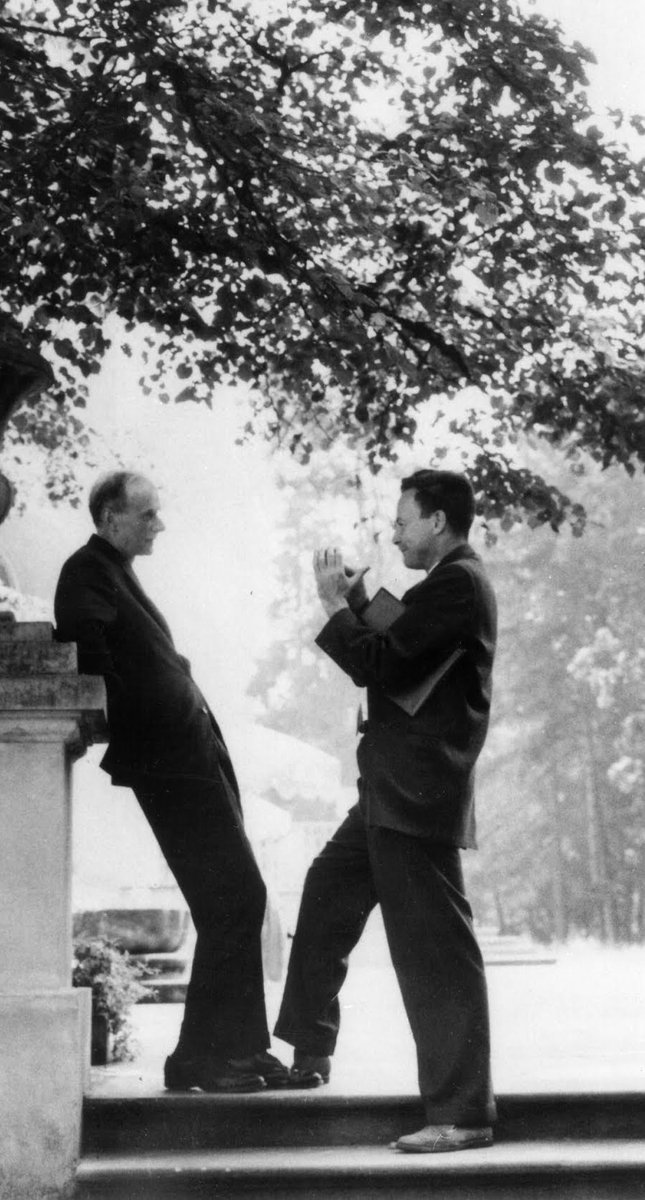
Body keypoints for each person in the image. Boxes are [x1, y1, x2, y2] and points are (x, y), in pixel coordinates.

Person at [274, 468, 498, 1153]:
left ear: (436, 521)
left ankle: (461, 1116)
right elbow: (408, 640)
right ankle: (309, 1050)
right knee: (328, 890)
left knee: (432, 954)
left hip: (414, 794)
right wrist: (363, 596)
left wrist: (333, 606)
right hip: (392, 789)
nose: (393, 532)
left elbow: (386, 665)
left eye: (401, 521)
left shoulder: (458, 582)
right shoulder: (452, 585)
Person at [54, 470, 289, 1093]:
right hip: (171, 766)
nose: (159, 524)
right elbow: (93, 663)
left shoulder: (112, 570)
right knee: (234, 899)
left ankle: (233, 1051)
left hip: (189, 760)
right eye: (147, 514)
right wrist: (156, 723)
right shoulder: (85, 572)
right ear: (109, 516)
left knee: (234, 900)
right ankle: (210, 1060)